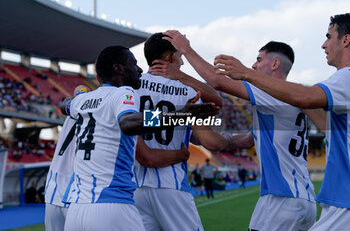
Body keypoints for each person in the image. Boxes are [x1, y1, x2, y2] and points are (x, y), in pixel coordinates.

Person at [162, 30, 316, 231]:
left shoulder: (139, 87)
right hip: (303, 198)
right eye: (181, 58)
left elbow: (217, 84)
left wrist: (186, 51)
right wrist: (210, 136)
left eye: (259, 59)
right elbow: (243, 140)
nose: (253, 65)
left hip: (282, 198)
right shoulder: (290, 97)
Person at [214, 13, 350, 231]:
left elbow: (216, 82)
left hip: (288, 200)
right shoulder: (300, 96)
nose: (324, 44)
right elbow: (326, 125)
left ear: (345, 40)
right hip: (313, 199)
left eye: (329, 36)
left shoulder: (344, 78)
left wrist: (186, 55)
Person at [62, 45, 218, 231]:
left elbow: (63, 104)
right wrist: (181, 115)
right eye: (133, 64)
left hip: (75, 209)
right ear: (118, 69)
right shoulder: (124, 93)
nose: (139, 69)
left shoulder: (82, 101)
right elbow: (128, 122)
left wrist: (77, 96)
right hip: (113, 205)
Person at [133, 33, 229, 231]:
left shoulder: (130, 87)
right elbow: (209, 140)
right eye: (180, 56)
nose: (182, 63)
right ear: (169, 58)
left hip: (135, 186)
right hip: (171, 184)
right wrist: (233, 141)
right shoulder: (188, 91)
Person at [44, 85, 90, 231]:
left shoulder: (77, 105)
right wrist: (163, 119)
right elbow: (136, 120)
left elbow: (78, 90)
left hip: (55, 189)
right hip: (79, 191)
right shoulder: (117, 99)